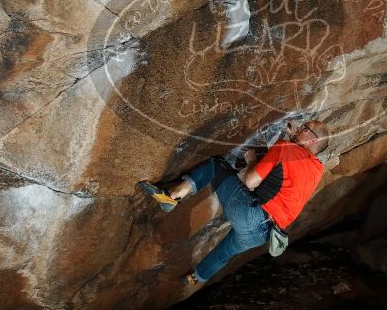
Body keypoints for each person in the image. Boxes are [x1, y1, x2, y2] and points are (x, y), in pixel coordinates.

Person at [140, 119, 329, 285]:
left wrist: (252, 160)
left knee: (216, 166)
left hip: (252, 215)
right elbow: (294, 166)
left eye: (305, 127)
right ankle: (195, 278)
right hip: (263, 236)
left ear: (313, 140)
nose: (300, 128)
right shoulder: (317, 170)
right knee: (224, 253)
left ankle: (172, 197)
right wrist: (294, 138)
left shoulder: (286, 148)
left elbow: (250, 181)